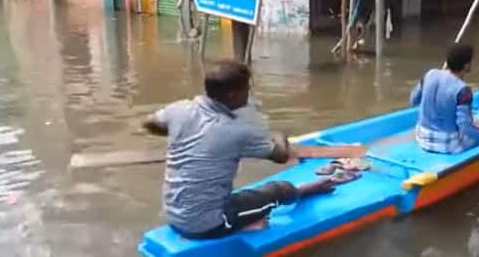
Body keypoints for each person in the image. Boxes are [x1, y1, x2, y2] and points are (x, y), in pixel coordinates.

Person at [142, 60, 336, 239]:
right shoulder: (237, 130)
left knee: (236, 193)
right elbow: (281, 155)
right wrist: (280, 134)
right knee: (281, 189)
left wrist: (181, 134)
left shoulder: (179, 109)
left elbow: (149, 123)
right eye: (247, 90)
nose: (249, 95)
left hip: (172, 214)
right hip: (207, 225)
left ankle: (245, 218)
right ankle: (302, 192)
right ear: (232, 95)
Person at [410, 44, 479, 154]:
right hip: (448, 144)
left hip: (422, 136)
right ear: (466, 65)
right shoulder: (463, 90)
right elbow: (465, 128)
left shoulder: (430, 74)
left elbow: (414, 100)